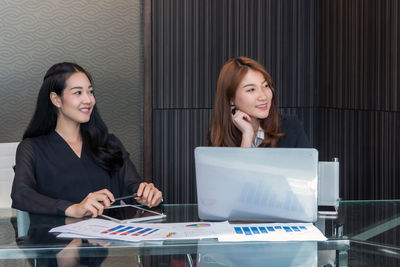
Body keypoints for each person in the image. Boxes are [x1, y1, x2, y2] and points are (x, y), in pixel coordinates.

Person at [11, 62, 163, 218]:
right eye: (78, 93)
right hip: (58, 241)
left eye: (90, 92)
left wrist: (148, 194)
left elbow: (134, 187)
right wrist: (72, 208)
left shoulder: (110, 143)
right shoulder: (31, 148)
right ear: (56, 99)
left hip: (109, 239)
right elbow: (21, 194)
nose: (88, 100)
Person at [209, 56, 311, 148]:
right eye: (251, 89)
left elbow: (308, 168)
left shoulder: (291, 128)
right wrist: (247, 136)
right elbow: (239, 169)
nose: (263, 97)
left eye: (265, 86)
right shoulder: (218, 136)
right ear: (231, 99)